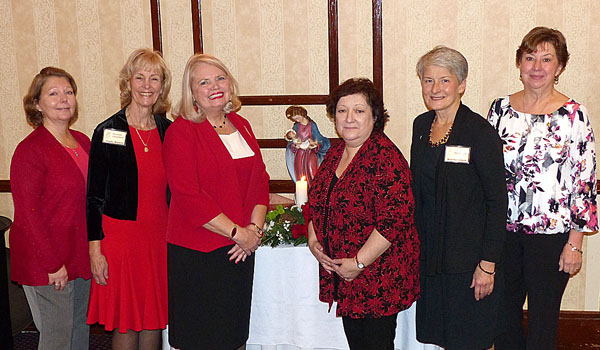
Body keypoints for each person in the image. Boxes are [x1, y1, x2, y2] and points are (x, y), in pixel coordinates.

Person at [487, 27, 597, 350]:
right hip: (503, 236)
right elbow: (487, 176)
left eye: (546, 59)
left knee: (542, 326)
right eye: (530, 57)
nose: (537, 66)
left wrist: (575, 244)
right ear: (519, 63)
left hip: (552, 240)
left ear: (560, 67)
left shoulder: (575, 116)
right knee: (501, 321)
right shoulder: (499, 110)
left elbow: (585, 182)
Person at [163, 53, 269, 349]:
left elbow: (260, 182)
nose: (214, 86)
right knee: (203, 338)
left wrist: (253, 232)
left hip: (239, 252)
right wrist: (239, 233)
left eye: (220, 78)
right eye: (204, 82)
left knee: (233, 335)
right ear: (192, 92)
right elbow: (188, 196)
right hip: (199, 254)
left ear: (230, 84)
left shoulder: (242, 125)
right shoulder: (181, 132)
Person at [306, 78, 420, 350]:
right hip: (346, 275)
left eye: (359, 110)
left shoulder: (386, 158)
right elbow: (316, 202)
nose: (349, 118)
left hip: (378, 276)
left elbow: (394, 221)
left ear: (375, 116)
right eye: (342, 110)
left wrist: (358, 263)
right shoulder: (335, 153)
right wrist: (314, 243)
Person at [410, 46, 507, 350]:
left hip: (469, 262)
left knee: (470, 339)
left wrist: (487, 265)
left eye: (444, 80)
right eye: (428, 81)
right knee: (441, 337)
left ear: (462, 84)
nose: (435, 89)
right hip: (431, 259)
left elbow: (497, 202)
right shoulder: (420, 126)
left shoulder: (479, 132)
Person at [86, 48, 172, 349]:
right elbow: (94, 197)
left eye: (154, 78)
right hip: (121, 242)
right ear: (128, 82)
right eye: (140, 77)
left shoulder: (168, 130)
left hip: (159, 239)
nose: (147, 85)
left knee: (153, 318)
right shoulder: (108, 131)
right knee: (126, 320)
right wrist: (95, 251)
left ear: (162, 85)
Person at [10, 67, 92, 349]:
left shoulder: (82, 142)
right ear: (37, 103)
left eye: (68, 92)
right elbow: (28, 215)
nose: (63, 99)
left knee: (79, 328)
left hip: (80, 254)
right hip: (47, 261)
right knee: (57, 336)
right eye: (53, 93)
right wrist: (52, 264)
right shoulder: (30, 150)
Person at [284, 105, 330, 186]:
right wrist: (295, 144)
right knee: (300, 173)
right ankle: (303, 192)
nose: (296, 120)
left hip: (310, 153)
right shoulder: (296, 126)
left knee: (311, 171)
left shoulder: (311, 125)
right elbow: (292, 138)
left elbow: (318, 138)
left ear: (302, 114)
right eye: (294, 119)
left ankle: (313, 188)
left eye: (297, 118)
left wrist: (315, 143)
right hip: (300, 153)